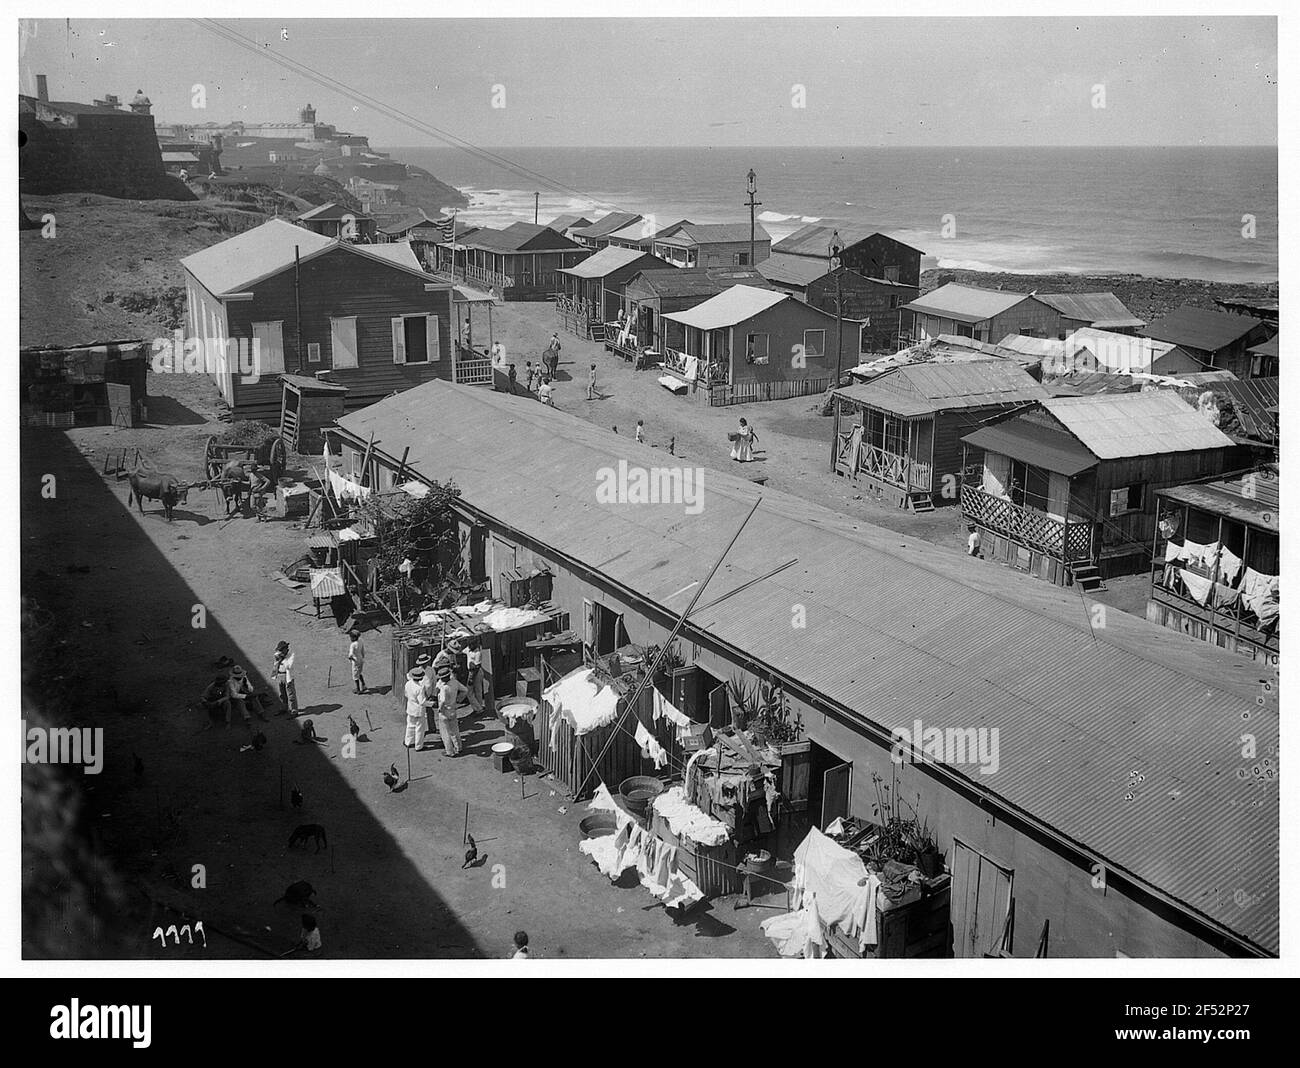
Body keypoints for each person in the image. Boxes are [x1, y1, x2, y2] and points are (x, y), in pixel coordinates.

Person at [434, 664, 467, 756]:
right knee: (455, 730)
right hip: (453, 709)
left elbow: (443, 700)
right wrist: (459, 699)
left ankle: (450, 751)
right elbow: (465, 690)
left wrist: (440, 709)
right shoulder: (455, 682)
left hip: (444, 711)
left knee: (445, 733)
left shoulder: (444, 688)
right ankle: (459, 747)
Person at [404, 666, 429, 749]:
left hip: (410, 708)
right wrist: (431, 704)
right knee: (419, 729)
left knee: (410, 726)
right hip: (418, 711)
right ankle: (418, 746)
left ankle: (408, 742)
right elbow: (422, 702)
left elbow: (406, 695)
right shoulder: (420, 688)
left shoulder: (408, 684)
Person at [273, 640, 298, 716]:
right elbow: (275, 664)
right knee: (282, 693)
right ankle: (284, 707)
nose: (280, 651)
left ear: (286, 649)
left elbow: (288, 666)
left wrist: (283, 658)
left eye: (281, 650)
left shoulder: (291, 655)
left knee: (291, 694)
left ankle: (294, 710)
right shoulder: (278, 655)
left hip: (287, 676)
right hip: (280, 675)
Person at [347, 629, 366, 694]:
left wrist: (349, 657)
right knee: (359, 673)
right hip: (361, 659)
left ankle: (358, 689)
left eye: (351, 637)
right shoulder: (361, 640)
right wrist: (363, 656)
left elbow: (351, 654)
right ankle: (363, 685)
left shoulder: (353, 644)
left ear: (354, 637)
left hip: (355, 662)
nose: (350, 638)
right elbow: (363, 650)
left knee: (355, 676)